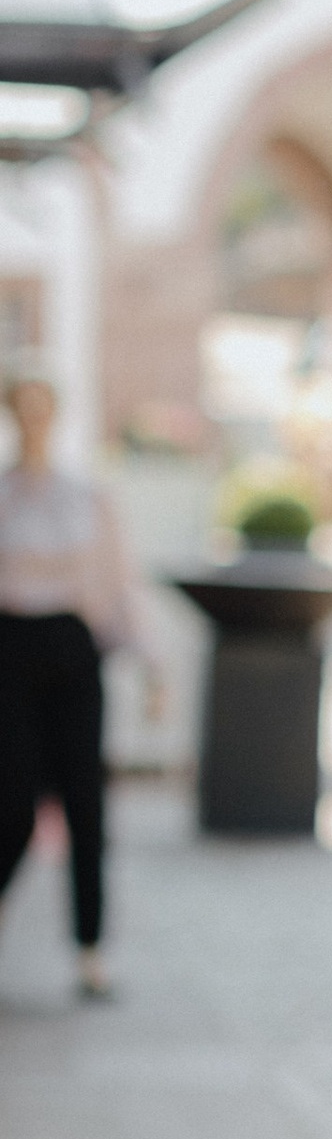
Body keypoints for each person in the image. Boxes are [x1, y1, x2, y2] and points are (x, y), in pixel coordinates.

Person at [0, 375, 143, 998]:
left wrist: (152, 662)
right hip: (10, 652)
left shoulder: (87, 496)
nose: (35, 419)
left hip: (73, 653)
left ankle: (91, 951)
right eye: (23, 408)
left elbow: (117, 581)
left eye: (44, 407)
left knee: (86, 803)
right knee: (12, 807)